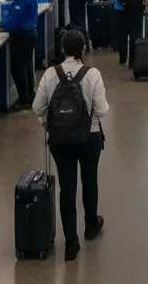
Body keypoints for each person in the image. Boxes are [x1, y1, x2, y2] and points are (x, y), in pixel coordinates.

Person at [33, 30, 109, 262]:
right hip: (90, 136)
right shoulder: (92, 74)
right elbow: (103, 110)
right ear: (83, 49)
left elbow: (38, 107)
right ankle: (90, 225)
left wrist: (50, 124)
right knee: (89, 180)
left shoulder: (50, 74)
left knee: (67, 187)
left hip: (59, 140)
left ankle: (70, 243)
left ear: (63, 50)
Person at [0, 0, 39, 109]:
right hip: (30, 32)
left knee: (18, 68)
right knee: (26, 66)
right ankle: (30, 95)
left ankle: (24, 99)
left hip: (22, 35)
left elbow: (13, 22)